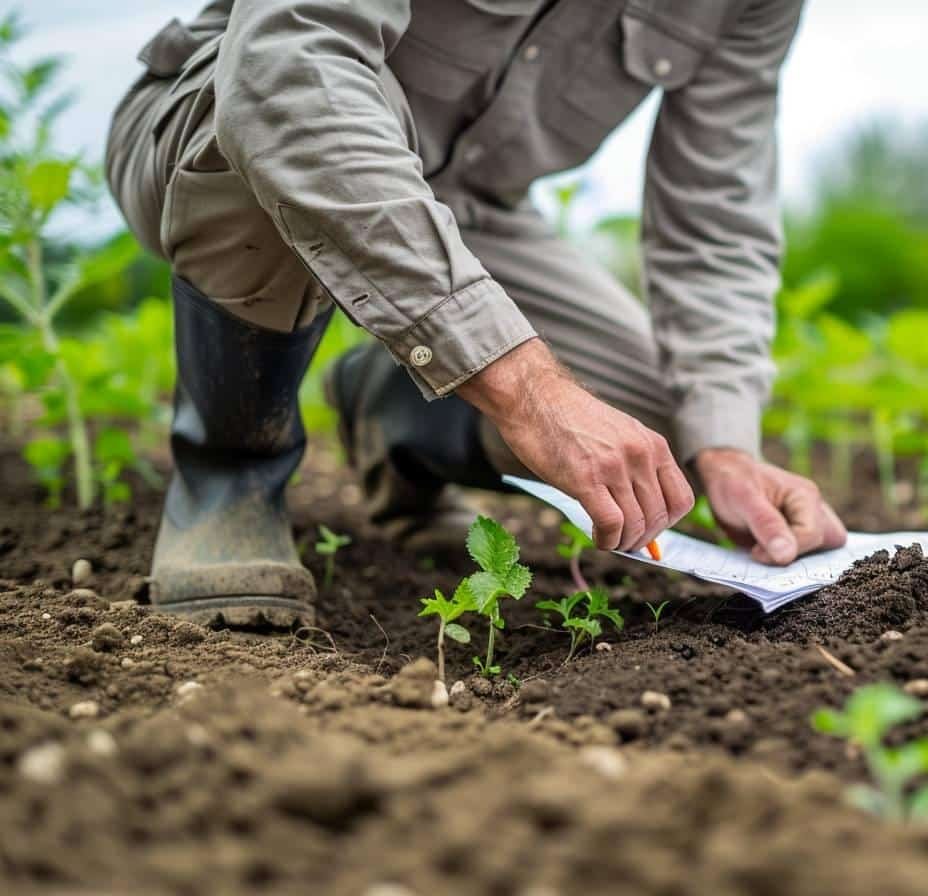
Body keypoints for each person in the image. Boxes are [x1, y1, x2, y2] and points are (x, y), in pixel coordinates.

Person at [105, 0, 846, 628]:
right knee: (291, 121)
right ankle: (231, 471)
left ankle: (392, 410)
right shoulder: (278, 92)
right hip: (228, 120)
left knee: (661, 430)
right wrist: (527, 390)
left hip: (467, 206)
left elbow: (715, 213)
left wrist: (725, 447)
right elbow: (287, 68)